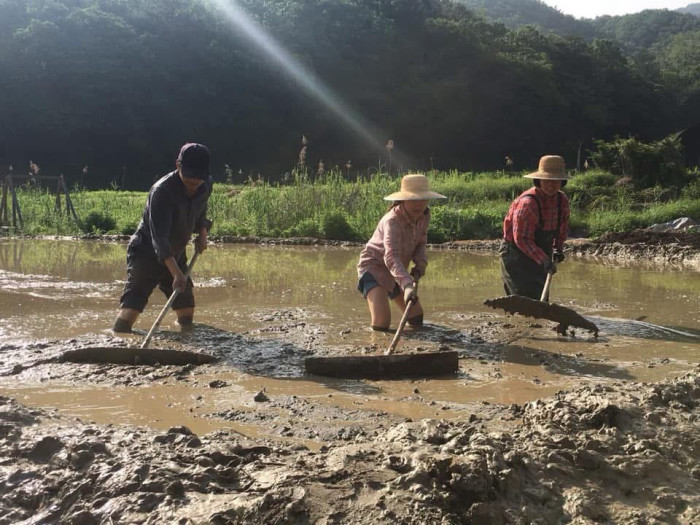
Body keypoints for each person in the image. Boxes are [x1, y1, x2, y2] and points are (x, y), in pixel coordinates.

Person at [112, 143, 213, 333]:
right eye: (189, 178)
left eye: (198, 179)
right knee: (131, 309)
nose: (193, 185)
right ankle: (119, 339)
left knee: (186, 309)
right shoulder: (162, 191)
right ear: (178, 165)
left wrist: (202, 233)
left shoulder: (206, 184)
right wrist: (176, 274)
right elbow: (159, 237)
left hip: (176, 251)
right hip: (146, 252)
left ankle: (185, 339)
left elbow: (201, 211)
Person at [357, 173, 446, 331]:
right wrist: (407, 285)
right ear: (403, 200)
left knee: (416, 316)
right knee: (382, 323)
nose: (419, 205)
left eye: (423, 200)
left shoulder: (424, 216)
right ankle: (376, 343)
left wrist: (421, 263)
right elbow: (391, 256)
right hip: (374, 268)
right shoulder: (392, 221)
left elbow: (420, 242)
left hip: (397, 271)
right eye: (413, 200)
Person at [499, 155, 570, 301]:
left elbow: (562, 228)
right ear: (538, 180)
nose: (551, 185)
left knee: (540, 297)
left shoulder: (562, 200)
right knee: (522, 298)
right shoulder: (528, 203)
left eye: (555, 181)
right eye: (547, 180)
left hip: (541, 252)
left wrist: (558, 249)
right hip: (517, 255)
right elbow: (522, 239)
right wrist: (543, 259)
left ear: (562, 182)